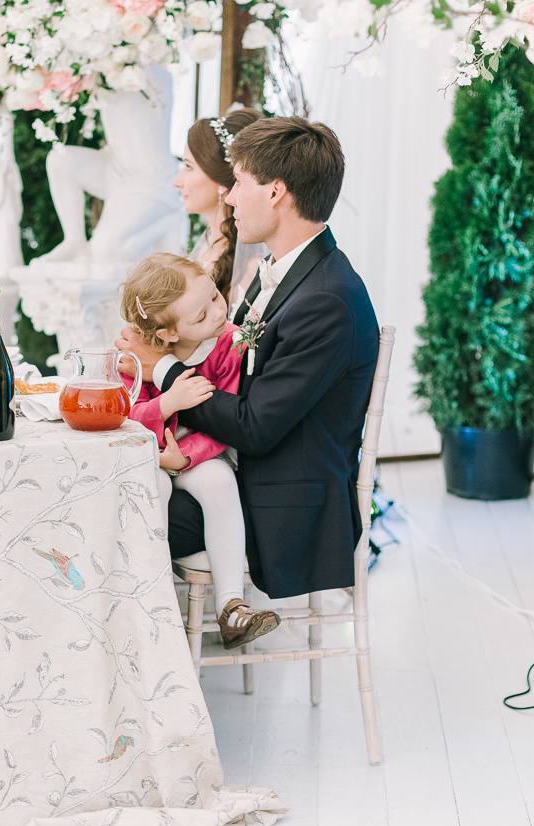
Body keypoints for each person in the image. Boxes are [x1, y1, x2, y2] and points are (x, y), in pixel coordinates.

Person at [117, 115, 379, 621]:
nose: (230, 197)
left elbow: (255, 428)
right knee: (108, 478)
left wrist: (163, 369)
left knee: (106, 497)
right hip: (240, 478)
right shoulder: (278, 273)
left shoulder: (328, 300)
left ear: (276, 192)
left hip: (279, 509)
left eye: (238, 183)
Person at [119, 254, 280, 648]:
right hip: (153, 452)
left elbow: (227, 422)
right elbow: (127, 413)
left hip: (200, 453)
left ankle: (231, 606)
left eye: (213, 295)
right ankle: (146, 598)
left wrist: (186, 457)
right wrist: (166, 406)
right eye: (200, 313)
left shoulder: (229, 344)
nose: (217, 311)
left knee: (221, 483)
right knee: (153, 486)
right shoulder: (135, 353)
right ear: (168, 334)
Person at [176, 108, 266, 307]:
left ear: (221, 180)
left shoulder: (252, 267)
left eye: (188, 167)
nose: (177, 181)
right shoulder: (206, 248)